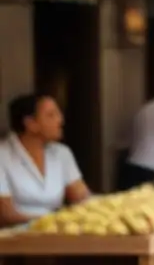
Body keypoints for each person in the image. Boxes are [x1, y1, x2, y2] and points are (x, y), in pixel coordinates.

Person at [0, 94, 90, 226]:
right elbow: (6, 215)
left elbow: (82, 197)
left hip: (54, 233)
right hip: (13, 237)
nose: (61, 120)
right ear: (31, 124)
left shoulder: (61, 153)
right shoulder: (3, 155)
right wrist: (56, 219)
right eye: (51, 115)